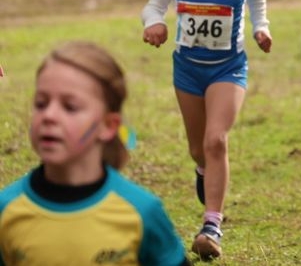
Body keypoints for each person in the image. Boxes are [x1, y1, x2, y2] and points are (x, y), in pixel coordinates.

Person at [141, 0, 273, 261]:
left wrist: (261, 26)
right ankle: (203, 169)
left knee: (216, 140)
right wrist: (154, 24)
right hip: (187, 69)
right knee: (198, 149)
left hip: (228, 67)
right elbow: (153, 6)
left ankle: (211, 226)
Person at [0, 41, 190, 266]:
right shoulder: (6, 209)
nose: (49, 116)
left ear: (108, 125)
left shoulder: (142, 212)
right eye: (41, 104)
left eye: (70, 107)